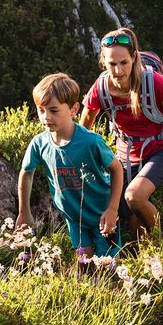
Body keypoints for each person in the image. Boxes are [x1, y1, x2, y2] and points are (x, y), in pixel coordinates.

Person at [80, 28, 163, 240]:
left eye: (124, 63)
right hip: (126, 155)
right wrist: (87, 164)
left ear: (134, 57)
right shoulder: (101, 88)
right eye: (112, 64)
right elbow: (84, 130)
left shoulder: (155, 83)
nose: (118, 71)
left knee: (134, 196)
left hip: (162, 149)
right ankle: (146, 253)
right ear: (104, 62)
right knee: (130, 219)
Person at [16, 73, 124, 257]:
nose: (46, 117)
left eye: (53, 110)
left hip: (102, 215)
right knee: (84, 265)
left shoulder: (90, 141)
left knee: (109, 267)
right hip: (74, 219)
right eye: (41, 110)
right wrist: (24, 212)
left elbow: (116, 169)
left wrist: (112, 209)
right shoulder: (39, 144)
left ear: (74, 109)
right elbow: (26, 172)